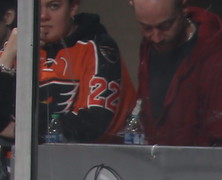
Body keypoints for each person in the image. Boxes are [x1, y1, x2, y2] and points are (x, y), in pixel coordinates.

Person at [0, 0, 133, 143]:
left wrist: (19, 131)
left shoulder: (98, 47)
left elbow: (93, 124)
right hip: (12, 162)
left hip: (80, 161)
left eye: (53, 6)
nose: (43, 16)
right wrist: (7, 57)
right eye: (36, 7)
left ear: (73, 8)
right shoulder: (15, 47)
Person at [129, 0, 222, 146]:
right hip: (157, 162)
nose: (156, 38)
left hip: (199, 166)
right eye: (146, 28)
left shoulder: (219, 57)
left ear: (184, 7)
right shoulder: (152, 44)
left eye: (166, 26)